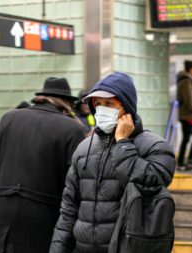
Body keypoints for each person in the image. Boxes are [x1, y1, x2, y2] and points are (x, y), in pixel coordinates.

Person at [49, 72, 176, 253]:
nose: (102, 109)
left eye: (109, 104)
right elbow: (69, 211)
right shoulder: (84, 149)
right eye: (98, 104)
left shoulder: (155, 146)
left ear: (127, 107)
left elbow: (150, 184)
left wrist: (123, 143)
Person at [0, 77, 85, 253]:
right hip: (42, 217)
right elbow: (74, 184)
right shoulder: (72, 129)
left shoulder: (9, 118)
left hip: (1, 210)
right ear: (67, 103)